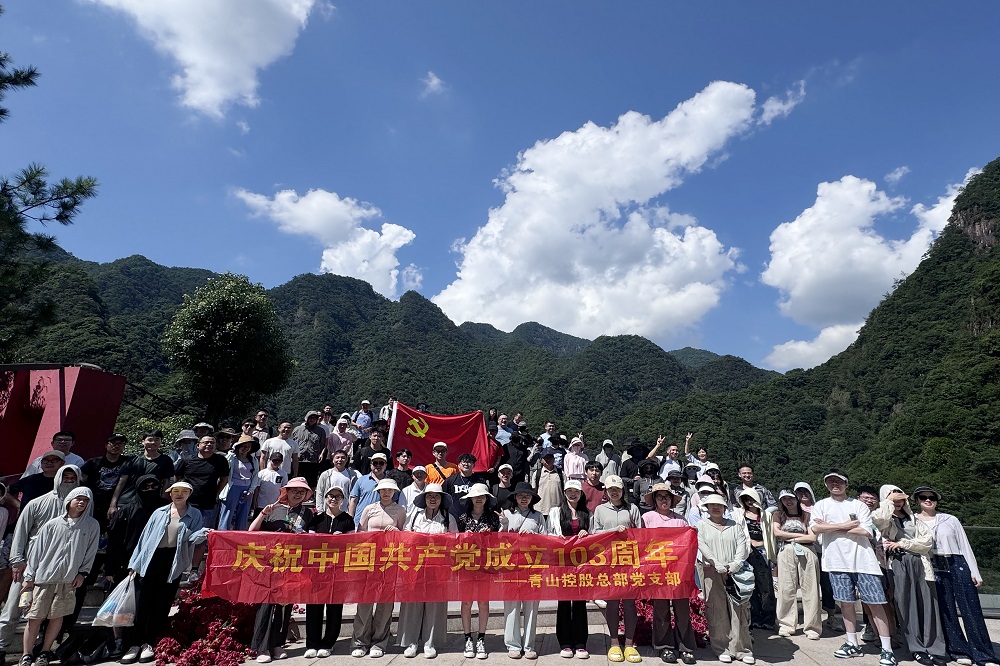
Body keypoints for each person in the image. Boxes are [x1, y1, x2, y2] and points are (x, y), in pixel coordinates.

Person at [809, 470, 896, 666]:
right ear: (826, 484)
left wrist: (829, 526)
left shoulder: (858, 505)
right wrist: (847, 525)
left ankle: (887, 648)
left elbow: (866, 531)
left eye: (839, 481)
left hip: (863, 562)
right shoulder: (821, 505)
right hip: (836, 562)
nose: (835, 484)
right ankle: (852, 643)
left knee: (875, 604)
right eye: (831, 481)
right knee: (846, 603)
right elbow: (815, 529)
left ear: (846, 484)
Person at [120, 481, 209, 665]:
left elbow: (193, 538)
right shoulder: (159, 512)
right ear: (170, 493)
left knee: (162, 603)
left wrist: (203, 533)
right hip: (151, 558)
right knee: (142, 603)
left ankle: (150, 643)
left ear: (189, 494)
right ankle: (134, 644)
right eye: (176, 491)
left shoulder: (194, 514)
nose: (179, 494)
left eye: (184, 491)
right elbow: (144, 537)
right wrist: (134, 563)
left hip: (173, 561)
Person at [0, 465, 81, 663]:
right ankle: (1, 647)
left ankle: (41, 650)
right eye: (65, 476)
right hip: (30, 565)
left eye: (73, 477)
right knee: (13, 608)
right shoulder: (37, 503)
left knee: (52, 612)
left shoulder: (83, 507)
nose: (68, 480)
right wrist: (17, 561)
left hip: (61, 568)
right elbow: (21, 532)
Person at [912, 486, 999, 666]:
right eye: (923, 497)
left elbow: (964, 545)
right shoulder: (912, 520)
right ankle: (958, 650)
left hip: (956, 562)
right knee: (947, 610)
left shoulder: (950, 519)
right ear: (917, 500)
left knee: (971, 608)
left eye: (932, 497)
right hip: (932, 565)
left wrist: (974, 571)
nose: (928, 500)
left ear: (936, 500)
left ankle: (983, 654)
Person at [20, 487, 99, 666]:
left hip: (68, 580)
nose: (82, 502)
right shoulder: (52, 524)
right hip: (44, 578)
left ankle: (45, 651)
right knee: (35, 617)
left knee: (57, 616)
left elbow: (91, 551)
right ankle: (27, 654)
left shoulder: (92, 525)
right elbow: (36, 552)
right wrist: (29, 576)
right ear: (69, 500)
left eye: (86, 500)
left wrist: (83, 573)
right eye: (78, 498)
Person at [871, 486, 947, 666]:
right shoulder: (885, 519)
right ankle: (917, 648)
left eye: (901, 499)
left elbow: (926, 542)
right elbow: (879, 520)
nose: (898, 502)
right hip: (898, 564)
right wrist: (888, 503)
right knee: (906, 606)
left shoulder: (913, 519)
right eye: (894, 499)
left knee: (928, 606)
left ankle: (935, 647)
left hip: (921, 563)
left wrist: (902, 543)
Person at [249, 478, 315, 663]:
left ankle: (278, 644)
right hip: (268, 565)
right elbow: (251, 532)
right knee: (265, 605)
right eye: (294, 490)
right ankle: (261, 648)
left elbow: (313, 538)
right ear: (287, 491)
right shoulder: (273, 508)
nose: (297, 494)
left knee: (284, 607)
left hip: (291, 566)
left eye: (302, 492)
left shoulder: (308, 513)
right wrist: (263, 513)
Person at [104, 475, 167, 658]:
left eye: (154, 486)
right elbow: (114, 541)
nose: (150, 490)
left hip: (157, 565)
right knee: (124, 607)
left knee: (148, 605)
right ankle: (120, 641)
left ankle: (147, 641)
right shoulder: (127, 510)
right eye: (145, 487)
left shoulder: (165, 509)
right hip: (127, 565)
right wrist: (110, 569)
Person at [398, 484, 457, 658]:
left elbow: (455, 541)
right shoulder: (414, 516)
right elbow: (405, 537)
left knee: (434, 606)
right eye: (429, 495)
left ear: (441, 499)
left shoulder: (448, 518)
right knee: (412, 605)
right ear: (424, 499)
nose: (433, 499)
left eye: (436, 496)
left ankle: (429, 643)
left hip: (438, 569)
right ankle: (411, 642)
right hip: (415, 568)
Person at [642, 484, 697, 664]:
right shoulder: (647, 518)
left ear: (672, 499)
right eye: (660, 496)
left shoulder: (681, 520)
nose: (663, 500)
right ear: (654, 500)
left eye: (667, 496)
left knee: (682, 610)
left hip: (678, 572)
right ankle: (663, 647)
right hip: (657, 571)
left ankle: (685, 648)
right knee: (661, 610)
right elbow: (641, 543)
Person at [591, 475, 643, 663]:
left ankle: (629, 644)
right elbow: (594, 533)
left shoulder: (632, 509)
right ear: (606, 491)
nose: (614, 492)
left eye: (617, 489)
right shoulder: (600, 509)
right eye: (611, 489)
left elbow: (641, 534)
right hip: (608, 562)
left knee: (629, 604)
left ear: (623, 490)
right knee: (612, 603)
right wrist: (611, 532)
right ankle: (614, 642)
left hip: (629, 562)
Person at [697, 493, 754, 665]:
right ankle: (722, 648)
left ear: (724, 507)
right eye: (712, 505)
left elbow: (742, 545)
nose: (715, 507)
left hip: (735, 573)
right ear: (707, 508)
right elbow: (702, 545)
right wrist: (715, 563)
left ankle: (742, 649)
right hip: (711, 571)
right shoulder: (701, 525)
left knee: (739, 610)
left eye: (719, 505)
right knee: (717, 610)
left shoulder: (734, 525)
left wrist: (736, 564)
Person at [352, 478, 405, 657]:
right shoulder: (369, 509)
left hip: (389, 562)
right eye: (383, 490)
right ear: (378, 491)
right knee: (364, 603)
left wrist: (397, 532)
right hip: (369, 561)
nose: (386, 493)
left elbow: (405, 535)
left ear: (395, 492)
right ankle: (360, 642)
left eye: (390, 490)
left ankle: (379, 643)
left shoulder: (400, 510)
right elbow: (360, 533)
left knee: (385, 604)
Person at [302, 486, 354, 659]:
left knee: (334, 608)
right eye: (331, 496)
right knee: (314, 607)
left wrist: (342, 540)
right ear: (325, 498)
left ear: (343, 500)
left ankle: (328, 643)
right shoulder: (316, 520)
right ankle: (312, 643)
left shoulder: (347, 520)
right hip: (317, 571)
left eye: (338, 496)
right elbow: (309, 544)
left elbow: (352, 545)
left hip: (337, 571)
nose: (334, 499)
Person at [500, 482, 546, 660]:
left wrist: (535, 537)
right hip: (511, 567)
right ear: (515, 497)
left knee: (531, 607)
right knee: (511, 607)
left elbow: (547, 539)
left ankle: (529, 645)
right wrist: (504, 526)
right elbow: (498, 541)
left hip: (532, 566)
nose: (524, 498)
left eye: (527, 496)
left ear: (532, 498)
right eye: (520, 496)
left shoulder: (538, 516)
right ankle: (513, 644)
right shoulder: (506, 514)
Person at [548, 481, 591, 659]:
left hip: (581, 564)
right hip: (562, 563)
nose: (573, 494)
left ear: (581, 494)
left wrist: (586, 534)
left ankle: (580, 642)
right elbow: (548, 534)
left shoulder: (587, 513)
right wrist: (559, 538)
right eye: (569, 491)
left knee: (580, 602)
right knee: (564, 602)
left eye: (576, 491)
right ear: (564, 493)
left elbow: (594, 536)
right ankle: (565, 642)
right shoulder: (555, 512)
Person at [771, 489, 821, 640]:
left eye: (790, 498)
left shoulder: (807, 515)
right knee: (786, 588)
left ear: (796, 499)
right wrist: (800, 536)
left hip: (807, 550)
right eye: (784, 499)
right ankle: (786, 624)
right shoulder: (778, 515)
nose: (788, 501)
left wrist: (792, 538)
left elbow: (812, 537)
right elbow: (777, 533)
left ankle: (812, 626)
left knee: (811, 588)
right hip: (786, 550)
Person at [457, 484, 498, 660]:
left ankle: (481, 638)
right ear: (470, 499)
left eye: (482, 496)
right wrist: (464, 538)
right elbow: (453, 541)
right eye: (475, 496)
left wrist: (491, 534)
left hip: (485, 565)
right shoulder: (462, 518)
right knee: (466, 602)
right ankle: (467, 638)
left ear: (487, 498)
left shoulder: (493, 518)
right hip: (466, 565)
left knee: (483, 602)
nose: (479, 499)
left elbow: (500, 541)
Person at [733, 487, 777, 630]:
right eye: (746, 499)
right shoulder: (739, 515)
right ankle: (755, 617)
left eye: (751, 499)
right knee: (750, 586)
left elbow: (771, 536)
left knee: (766, 586)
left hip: (762, 551)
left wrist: (773, 556)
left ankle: (768, 618)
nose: (749, 502)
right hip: (747, 552)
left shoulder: (765, 515)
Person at [110, 431, 174, 516]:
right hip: (127, 502)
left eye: (157, 439)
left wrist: (163, 504)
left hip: (151, 504)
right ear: (143, 442)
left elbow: (166, 483)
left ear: (161, 441)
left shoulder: (166, 460)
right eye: (150, 440)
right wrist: (112, 505)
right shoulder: (132, 459)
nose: (153, 442)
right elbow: (121, 482)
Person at [80, 433, 133, 532]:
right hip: (94, 503)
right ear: (106, 445)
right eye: (113, 443)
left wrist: (113, 505)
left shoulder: (128, 462)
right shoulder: (93, 462)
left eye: (120, 443)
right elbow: (81, 480)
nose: (116, 446)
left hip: (117, 503)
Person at [218, 435, 260, 531]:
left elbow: (255, 476)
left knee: (243, 514)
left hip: (247, 488)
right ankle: (223, 533)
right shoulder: (232, 458)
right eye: (243, 446)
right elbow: (226, 467)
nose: (246, 448)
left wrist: (251, 490)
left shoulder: (253, 460)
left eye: (248, 446)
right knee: (227, 512)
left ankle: (240, 534)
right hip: (233, 487)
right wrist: (231, 453)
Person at [20, 432, 85, 477]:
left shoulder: (78, 460)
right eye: (59, 440)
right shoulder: (39, 460)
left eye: (67, 440)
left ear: (72, 443)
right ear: (52, 443)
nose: (62, 442)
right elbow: (26, 477)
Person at [292, 412, 326, 488]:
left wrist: (320, 454)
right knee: (298, 481)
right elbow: (292, 443)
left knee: (312, 482)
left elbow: (322, 444)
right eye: (310, 418)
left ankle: (311, 494)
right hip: (299, 460)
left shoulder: (321, 431)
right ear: (306, 418)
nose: (312, 419)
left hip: (313, 460)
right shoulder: (297, 429)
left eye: (314, 418)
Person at [531, 449, 563, 516]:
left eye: (550, 457)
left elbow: (565, 491)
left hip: (557, 510)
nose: (548, 460)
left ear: (554, 459)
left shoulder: (561, 473)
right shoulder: (537, 474)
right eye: (546, 458)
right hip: (540, 510)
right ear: (541, 460)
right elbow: (534, 491)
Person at [254, 453, 286, 517]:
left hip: (275, 505)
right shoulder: (262, 473)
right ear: (270, 460)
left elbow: (284, 489)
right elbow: (257, 488)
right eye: (274, 460)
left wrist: (282, 501)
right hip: (261, 504)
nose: (277, 462)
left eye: (279, 460)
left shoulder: (283, 474)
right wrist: (254, 500)